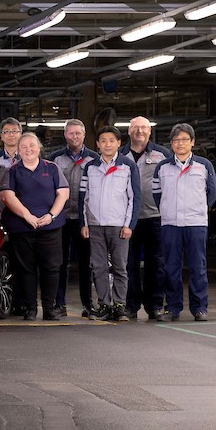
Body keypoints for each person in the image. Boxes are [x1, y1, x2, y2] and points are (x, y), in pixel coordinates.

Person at [0, 132, 68, 321]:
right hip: (22, 228)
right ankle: (30, 308)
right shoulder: (12, 171)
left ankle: (49, 308)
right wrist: (27, 215)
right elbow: (7, 196)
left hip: (50, 228)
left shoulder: (52, 168)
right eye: (23, 147)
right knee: (25, 268)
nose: (28, 149)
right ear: (18, 151)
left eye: (32, 145)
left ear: (39, 148)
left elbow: (63, 193)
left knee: (52, 268)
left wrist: (51, 215)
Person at [153, 123, 216, 322]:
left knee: (198, 267)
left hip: (196, 223)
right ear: (171, 144)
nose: (180, 143)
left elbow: (212, 192)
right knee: (171, 267)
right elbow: (157, 194)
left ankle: (200, 308)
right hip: (171, 224)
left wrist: (198, 209)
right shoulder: (162, 167)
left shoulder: (204, 165)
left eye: (184, 139)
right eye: (176, 140)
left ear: (192, 142)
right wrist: (167, 210)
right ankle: (173, 308)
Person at [79, 127, 140, 322]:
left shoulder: (128, 166)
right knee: (99, 267)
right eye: (103, 140)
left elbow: (134, 198)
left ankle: (120, 305)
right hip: (95, 225)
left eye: (112, 140)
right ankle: (104, 305)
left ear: (119, 143)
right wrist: (84, 223)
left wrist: (129, 225)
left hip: (119, 226)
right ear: (97, 144)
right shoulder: (90, 167)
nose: (107, 144)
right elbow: (84, 197)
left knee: (120, 267)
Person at [121, 115, 172, 320]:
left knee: (156, 263)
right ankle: (130, 305)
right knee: (128, 263)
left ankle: (155, 305)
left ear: (150, 131)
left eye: (143, 127)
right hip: (127, 219)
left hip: (155, 217)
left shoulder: (163, 154)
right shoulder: (119, 154)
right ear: (129, 131)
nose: (139, 131)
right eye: (135, 128)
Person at [48, 119, 99, 318]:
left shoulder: (94, 159)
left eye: (78, 133)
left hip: (84, 219)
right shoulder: (54, 159)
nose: (74, 136)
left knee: (87, 263)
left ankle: (88, 304)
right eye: (71, 133)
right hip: (60, 218)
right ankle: (59, 303)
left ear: (84, 135)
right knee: (59, 263)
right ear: (65, 135)